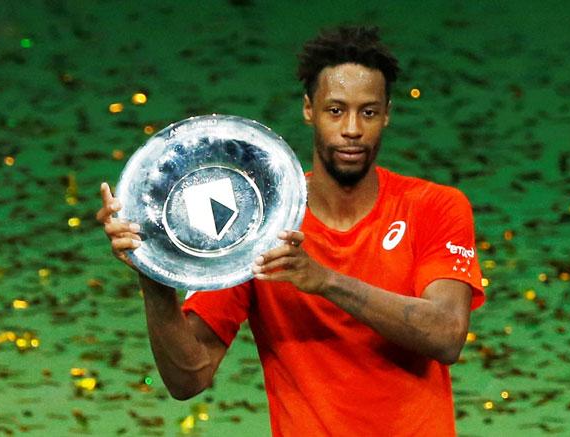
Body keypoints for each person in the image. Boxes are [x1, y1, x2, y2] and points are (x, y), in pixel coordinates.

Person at [96, 26, 485, 437]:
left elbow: (446, 335)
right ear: (308, 110)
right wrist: (154, 270)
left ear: (386, 114)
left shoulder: (434, 206)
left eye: (367, 112)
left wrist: (325, 281)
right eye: (335, 110)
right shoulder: (262, 221)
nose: (352, 129)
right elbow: (188, 377)